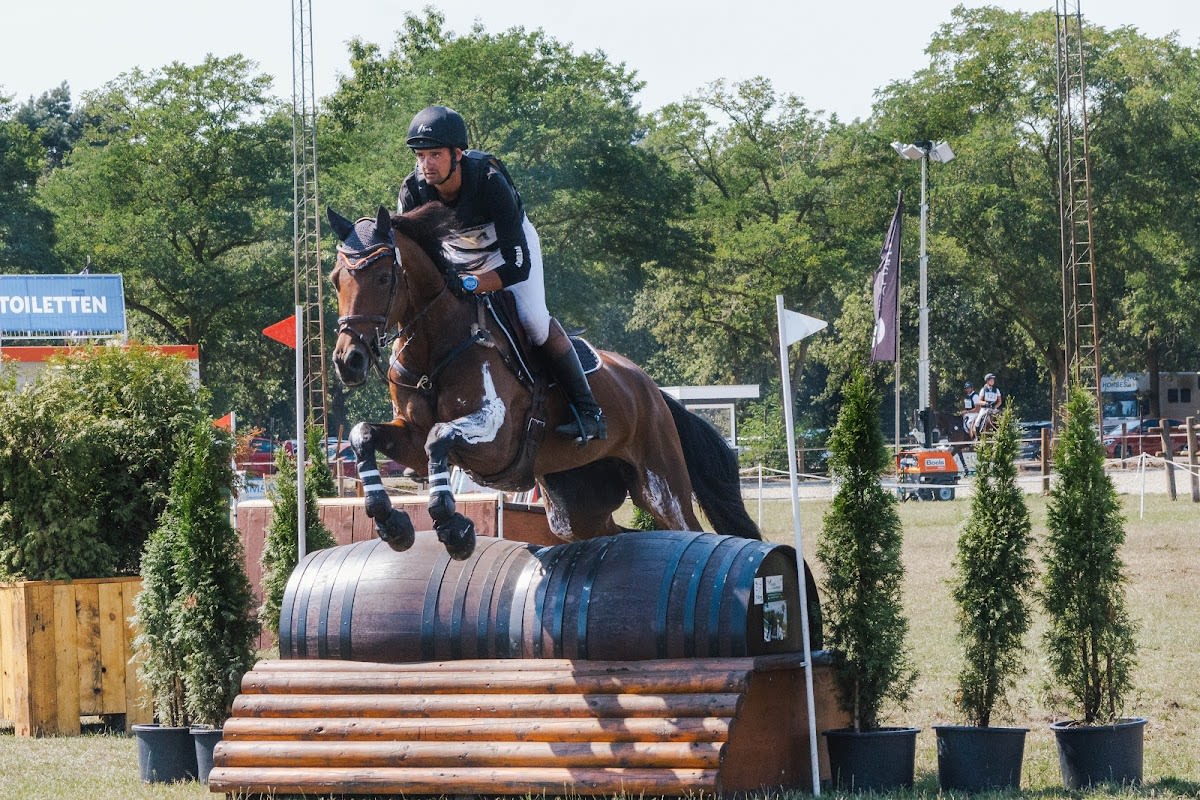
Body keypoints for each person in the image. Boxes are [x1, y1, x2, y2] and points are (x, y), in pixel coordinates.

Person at [397, 105, 606, 443]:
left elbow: (517, 264)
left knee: (534, 320)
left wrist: (473, 284)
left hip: (507, 251)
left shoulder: (490, 181)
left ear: (458, 153)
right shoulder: (412, 192)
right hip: (456, 254)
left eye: (435, 154)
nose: (426, 164)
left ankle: (589, 411)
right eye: (421, 156)